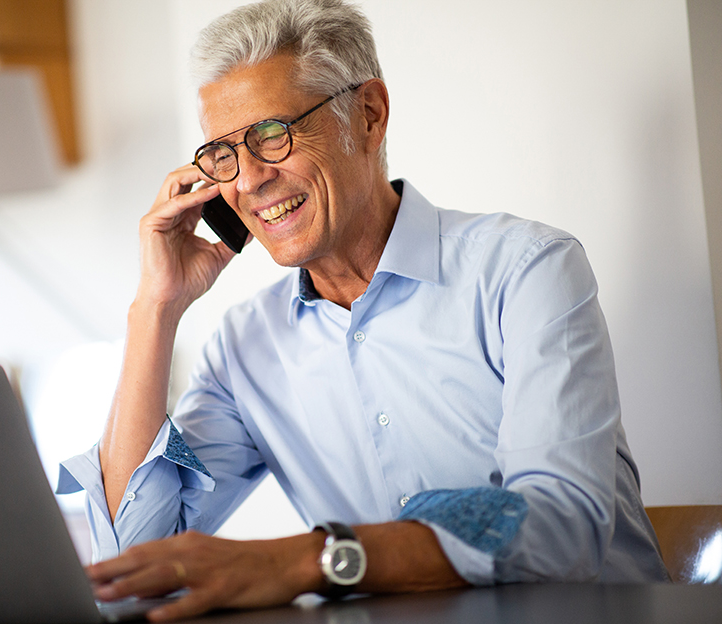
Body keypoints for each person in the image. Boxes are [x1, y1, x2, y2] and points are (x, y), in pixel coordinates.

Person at [57, 0, 669, 620]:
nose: (247, 181)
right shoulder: (244, 348)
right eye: (223, 154)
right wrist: (154, 308)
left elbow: (562, 526)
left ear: (369, 116)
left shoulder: (527, 270)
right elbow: (134, 562)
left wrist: (307, 560)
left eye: (272, 135)